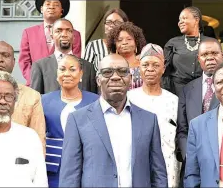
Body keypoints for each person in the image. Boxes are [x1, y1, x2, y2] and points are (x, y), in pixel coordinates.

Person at [59, 54, 167, 187]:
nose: (115, 77)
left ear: (130, 79)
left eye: (122, 72)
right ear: (98, 80)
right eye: (107, 72)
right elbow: (70, 177)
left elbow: (158, 174)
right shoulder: (78, 120)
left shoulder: (149, 120)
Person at [41, 54, 99, 188]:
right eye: (62, 69)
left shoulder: (95, 101)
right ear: (57, 74)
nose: (67, 74)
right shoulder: (44, 101)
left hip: (87, 166)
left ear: (81, 74)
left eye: (72, 70)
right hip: (53, 169)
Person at [128, 44, 180, 187]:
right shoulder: (128, 99)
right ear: (139, 67)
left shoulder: (174, 101)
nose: (150, 69)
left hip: (168, 168)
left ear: (163, 69)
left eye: (155, 65)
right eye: (146, 65)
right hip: (135, 168)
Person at [175, 39, 223, 187]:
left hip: (222, 163)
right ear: (198, 59)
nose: (210, 58)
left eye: (214, 53)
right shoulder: (188, 89)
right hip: (193, 166)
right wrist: (189, 155)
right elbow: (182, 130)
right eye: (205, 54)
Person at [19, 0, 82, 86]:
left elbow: (75, 60)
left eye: (56, 5)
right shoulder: (29, 32)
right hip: (35, 85)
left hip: (64, 85)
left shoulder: (74, 34)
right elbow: (24, 61)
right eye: (47, 4)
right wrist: (35, 79)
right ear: (41, 9)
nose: (51, 7)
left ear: (62, 11)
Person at [31, 18, 98, 95]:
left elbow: (93, 100)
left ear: (74, 36)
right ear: (52, 36)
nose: (64, 34)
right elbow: (35, 99)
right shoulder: (40, 66)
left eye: (69, 31)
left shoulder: (88, 67)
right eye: (58, 31)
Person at [162, 6, 211, 97]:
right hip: (178, 92)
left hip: (203, 91)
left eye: (184, 18)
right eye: (179, 20)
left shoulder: (209, 42)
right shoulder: (172, 43)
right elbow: (164, 71)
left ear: (196, 20)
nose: (180, 22)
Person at [106, 22, 147, 90]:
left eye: (129, 39)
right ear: (114, 45)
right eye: (120, 40)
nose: (124, 42)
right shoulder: (109, 66)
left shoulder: (144, 65)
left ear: (136, 42)